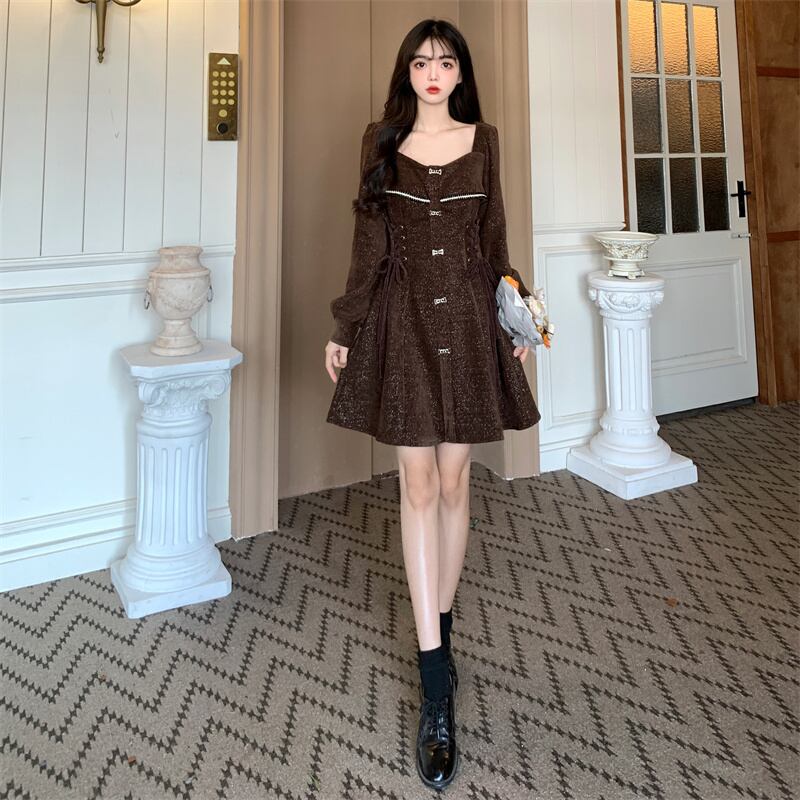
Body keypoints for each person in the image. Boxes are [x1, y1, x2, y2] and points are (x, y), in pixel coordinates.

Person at [323, 18, 540, 791]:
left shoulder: (485, 141)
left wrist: (519, 317)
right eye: (421, 62)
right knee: (417, 486)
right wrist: (347, 325)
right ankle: (435, 682)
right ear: (407, 73)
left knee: (454, 484)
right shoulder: (380, 141)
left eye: (446, 62)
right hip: (404, 323)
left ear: (460, 73)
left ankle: (438, 625)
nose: (434, 73)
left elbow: (496, 240)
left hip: (471, 322)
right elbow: (368, 244)